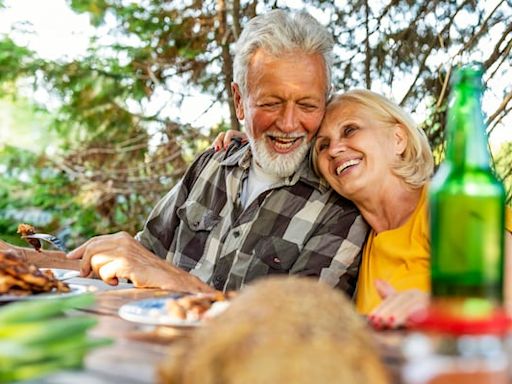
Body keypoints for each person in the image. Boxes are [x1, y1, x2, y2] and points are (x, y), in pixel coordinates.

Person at [0, 10, 367, 295]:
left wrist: (170, 277)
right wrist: (20, 257)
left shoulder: (341, 203)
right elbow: (140, 257)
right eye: (271, 102)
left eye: (307, 104)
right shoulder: (212, 165)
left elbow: (304, 327)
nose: (289, 124)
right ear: (240, 102)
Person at [216, 89, 512, 327]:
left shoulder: (448, 209)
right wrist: (253, 147)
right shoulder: (355, 235)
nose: (334, 149)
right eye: (322, 145)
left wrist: (441, 310)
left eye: (350, 130)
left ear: (398, 138)